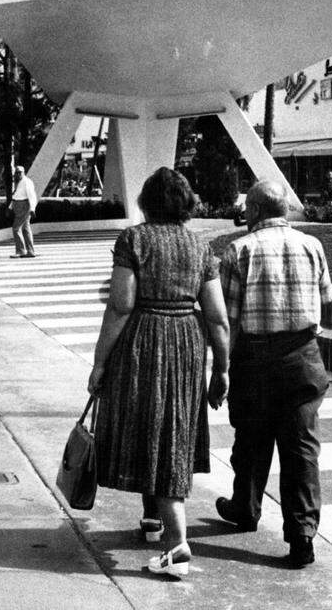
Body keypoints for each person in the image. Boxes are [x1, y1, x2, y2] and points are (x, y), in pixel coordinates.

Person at [89, 168, 231, 579]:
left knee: (151, 424)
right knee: (174, 424)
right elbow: (219, 319)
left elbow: (120, 305)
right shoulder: (199, 247)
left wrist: (100, 362)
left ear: (146, 202)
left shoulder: (133, 239)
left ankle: (177, 543)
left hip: (144, 338)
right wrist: (221, 369)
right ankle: (152, 518)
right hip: (187, 339)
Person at [216, 179, 332, 569]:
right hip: (302, 356)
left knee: (250, 439)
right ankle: (301, 534)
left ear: (253, 210)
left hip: (254, 358)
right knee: (301, 448)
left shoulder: (238, 250)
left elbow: (229, 322)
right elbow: (323, 299)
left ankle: (245, 508)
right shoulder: (313, 246)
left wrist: (221, 370)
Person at [9, 165, 39, 258]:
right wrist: (10, 207)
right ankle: (30, 251)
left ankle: (21, 251)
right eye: (16, 173)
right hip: (18, 206)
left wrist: (32, 209)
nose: (18, 174)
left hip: (24, 206)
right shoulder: (19, 182)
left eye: (20, 172)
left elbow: (32, 196)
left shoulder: (27, 182)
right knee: (25, 229)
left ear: (24, 172)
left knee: (16, 228)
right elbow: (15, 196)